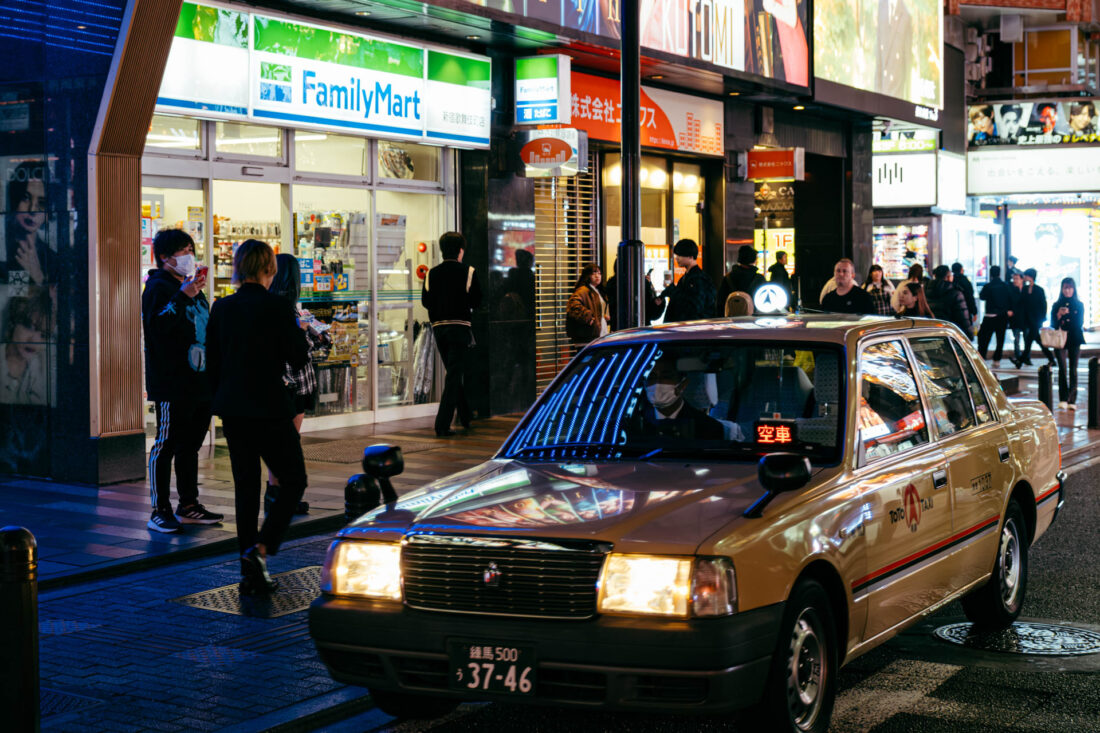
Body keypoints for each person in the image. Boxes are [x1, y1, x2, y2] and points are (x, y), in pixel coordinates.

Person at [207, 239, 310, 595]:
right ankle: (261, 549)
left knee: (246, 487)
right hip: (269, 407)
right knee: (294, 479)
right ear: (270, 268)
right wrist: (302, 333)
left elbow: (213, 361)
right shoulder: (278, 307)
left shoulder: (222, 307)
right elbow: (297, 357)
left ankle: (248, 567)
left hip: (233, 409)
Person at [141, 228, 223, 534]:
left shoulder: (192, 289)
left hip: (200, 382)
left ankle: (189, 504)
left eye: (191, 249)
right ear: (165, 258)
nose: (189, 256)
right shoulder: (157, 288)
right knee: (166, 444)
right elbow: (157, 326)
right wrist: (181, 296)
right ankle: (158, 509)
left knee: (190, 445)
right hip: (172, 384)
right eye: (183, 251)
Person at [265, 254, 330, 516]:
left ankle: (279, 493)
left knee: (288, 441)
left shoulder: (293, 308)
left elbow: (322, 341)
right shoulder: (282, 309)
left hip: (297, 382)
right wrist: (307, 332)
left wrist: (311, 331)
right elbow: (308, 346)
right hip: (290, 381)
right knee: (286, 442)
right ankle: (278, 494)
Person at [422, 231, 482, 437]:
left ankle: (465, 416)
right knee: (455, 374)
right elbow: (477, 300)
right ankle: (442, 424)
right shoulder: (469, 271)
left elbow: (426, 302)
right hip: (460, 327)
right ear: (461, 251)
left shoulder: (431, 273)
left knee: (454, 372)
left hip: (439, 328)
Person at [643, 356, 725, 440]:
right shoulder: (633, 423)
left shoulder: (709, 426)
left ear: (683, 384)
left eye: (666, 377)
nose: (657, 383)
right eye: (651, 377)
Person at [3, 161, 52, 289]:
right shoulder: (5, 250)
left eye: (42, 203)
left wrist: (38, 276)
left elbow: (55, 307)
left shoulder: (53, 259)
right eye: (26, 197)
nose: (32, 210)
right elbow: (15, 299)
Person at [1, 286, 52, 405]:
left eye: (44, 335)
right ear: (12, 323)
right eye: (29, 326)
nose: (35, 340)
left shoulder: (44, 369)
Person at [1050, 277, 1085, 409]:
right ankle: (1063, 398)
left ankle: (1072, 400)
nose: (1068, 290)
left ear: (1074, 289)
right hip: (1059, 339)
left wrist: (1068, 317)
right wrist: (1059, 315)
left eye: (1070, 288)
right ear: (1062, 289)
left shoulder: (1079, 305)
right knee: (1062, 369)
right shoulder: (1056, 304)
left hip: (1074, 338)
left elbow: (1079, 323)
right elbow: (1053, 324)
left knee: (1073, 369)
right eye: (1065, 288)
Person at [663, 239, 716, 322]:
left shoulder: (699, 279)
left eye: (680, 255)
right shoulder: (687, 277)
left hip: (694, 329)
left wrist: (673, 290)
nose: (677, 258)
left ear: (691, 257)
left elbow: (694, 307)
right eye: (676, 255)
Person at [977, 265, 1013, 367]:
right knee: (1000, 338)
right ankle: (997, 359)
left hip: (990, 316)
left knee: (984, 338)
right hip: (1002, 316)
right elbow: (1010, 298)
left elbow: (982, 297)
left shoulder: (988, 286)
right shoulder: (1005, 286)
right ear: (999, 273)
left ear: (990, 273)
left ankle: (982, 357)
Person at [1018, 268, 1054, 369]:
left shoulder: (1039, 289)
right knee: (1038, 340)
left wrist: (1042, 318)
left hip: (1036, 320)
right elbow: (1022, 303)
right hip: (1028, 319)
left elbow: (1043, 304)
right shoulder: (1024, 289)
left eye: (1026, 276)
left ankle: (1020, 361)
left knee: (1029, 341)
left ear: (1030, 277)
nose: (1024, 278)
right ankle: (1051, 358)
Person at [566, 263, 610, 345]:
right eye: (594, 273)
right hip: (588, 337)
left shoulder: (597, 291)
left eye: (599, 273)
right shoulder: (583, 290)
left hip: (598, 334)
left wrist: (602, 317)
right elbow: (573, 306)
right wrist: (589, 317)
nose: (597, 276)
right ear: (587, 275)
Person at [925, 265, 972, 337]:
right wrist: (968, 334)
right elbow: (962, 316)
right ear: (948, 276)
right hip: (950, 332)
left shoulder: (925, 290)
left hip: (930, 330)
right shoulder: (955, 293)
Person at [716, 246, 766, 314]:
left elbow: (720, 303)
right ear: (753, 260)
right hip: (754, 320)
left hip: (731, 319)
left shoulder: (728, 278)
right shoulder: (759, 279)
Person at [951, 263, 978, 334]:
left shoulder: (950, 281)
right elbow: (970, 298)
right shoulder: (966, 281)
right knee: (965, 333)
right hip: (965, 311)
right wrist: (974, 312)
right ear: (961, 270)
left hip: (952, 312)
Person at [1008, 271, 1028, 366]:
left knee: (1026, 339)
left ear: (1022, 279)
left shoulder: (1027, 290)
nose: (1014, 281)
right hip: (1015, 319)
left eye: (1016, 279)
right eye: (1014, 279)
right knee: (1016, 340)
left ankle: (1026, 357)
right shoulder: (1011, 290)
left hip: (1025, 319)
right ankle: (1018, 357)